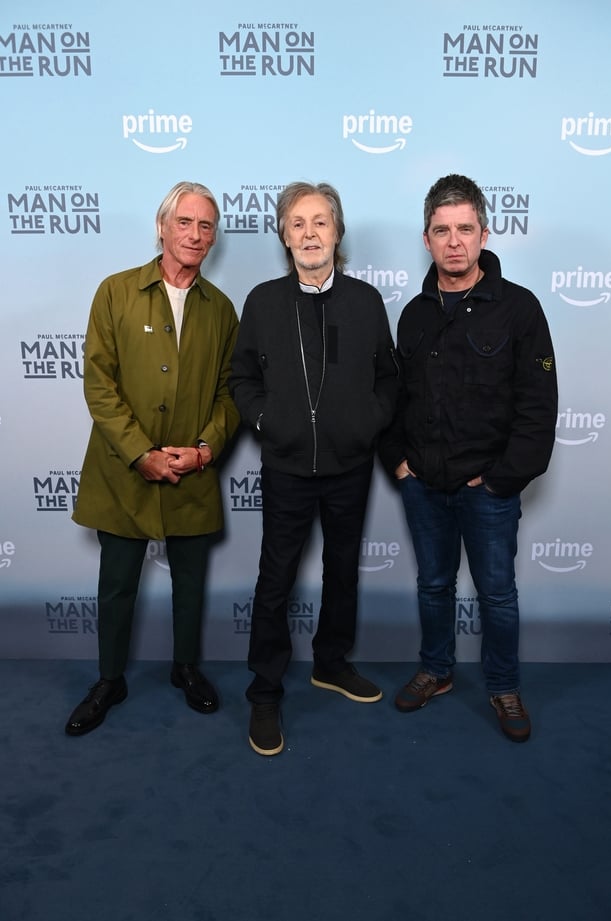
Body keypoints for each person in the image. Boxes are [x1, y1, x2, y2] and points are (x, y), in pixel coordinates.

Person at [379, 174, 557, 742]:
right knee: (433, 586)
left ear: (484, 233)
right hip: (423, 484)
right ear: (426, 239)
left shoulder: (520, 310)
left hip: (489, 491)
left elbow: (538, 408)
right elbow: (391, 399)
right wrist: (399, 464)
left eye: (464, 229)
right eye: (441, 230)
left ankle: (503, 685)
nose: (453, 241)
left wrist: (501, 480)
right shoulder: (412, 314)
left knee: (497, 593)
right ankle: (436, 670)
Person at [229, 181, 399, 756]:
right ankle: (265, 688)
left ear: (337, 232)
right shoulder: (262, 301)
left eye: (320, 222)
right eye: (297, 223)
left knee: (343, 570)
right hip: (286, 466)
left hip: (350, 465)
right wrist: (266, 420)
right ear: (283, 235)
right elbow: (242, 377)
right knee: (275, 579)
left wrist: (367, 422)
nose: (309, 233)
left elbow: (388, 378)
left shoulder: (366, 302)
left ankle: (331, 663)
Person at [65, 181, 240, 736]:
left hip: (193, 471)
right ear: (162, 227)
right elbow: (99, 384)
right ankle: (109, 680)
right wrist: (141, 452)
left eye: (205, 225)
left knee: (191, 583)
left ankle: (185, 669)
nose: (194, 234)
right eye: (184, 222)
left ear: (214, 238)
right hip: (123, 472)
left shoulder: (222, 309)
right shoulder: (114, 292)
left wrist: (205, 449)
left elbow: (231, 393)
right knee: (116, 584)